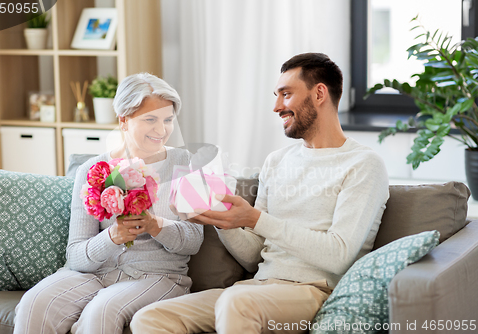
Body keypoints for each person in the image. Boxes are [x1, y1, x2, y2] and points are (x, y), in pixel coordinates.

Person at [130, 53, 390, 334]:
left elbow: (338, 255)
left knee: (236, 302)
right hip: (258, 288)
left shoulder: (363, 164)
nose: (277, 106)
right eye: (276, 96)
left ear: (319, 93)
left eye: (286, 94)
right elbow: (255, 257)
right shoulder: (277, 161)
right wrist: (223, 221)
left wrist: (255, 219)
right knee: (150, 318)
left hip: (314, 292)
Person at [14, 73, 204, 334]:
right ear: (123, 120)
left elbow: (194, 240)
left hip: (158, 276)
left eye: (168, 120)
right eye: (150, 119)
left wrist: (156, 225)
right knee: (35, 302)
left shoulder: (187, 164)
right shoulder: (91, 170)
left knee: (102, 312)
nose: (162, 131)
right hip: (93, 274)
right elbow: (76, 256)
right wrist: (112, 237)